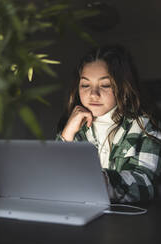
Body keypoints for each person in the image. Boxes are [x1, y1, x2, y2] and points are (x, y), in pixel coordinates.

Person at [56, 45, 161, 203]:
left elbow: (145, 183)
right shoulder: (77, 126)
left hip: (129, 222)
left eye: (105, 85)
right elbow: (54, 178)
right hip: (82, 216)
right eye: (85, 85)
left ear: (123, 87)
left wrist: (100, 181)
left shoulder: (144, 125)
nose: (93, 94)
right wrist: (67, 134)